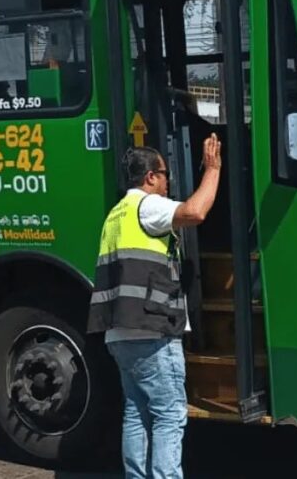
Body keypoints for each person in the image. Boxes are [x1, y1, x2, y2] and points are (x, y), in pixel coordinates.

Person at [88, 135, 222, 479]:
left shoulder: (115, 214)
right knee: (170, 413)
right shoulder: (148, 206)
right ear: (150, 177)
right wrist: (212, 169)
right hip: (152, 332)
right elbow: (195, 211)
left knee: (136, 412)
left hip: (119, 333)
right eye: (165, 175)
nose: (167, 183)